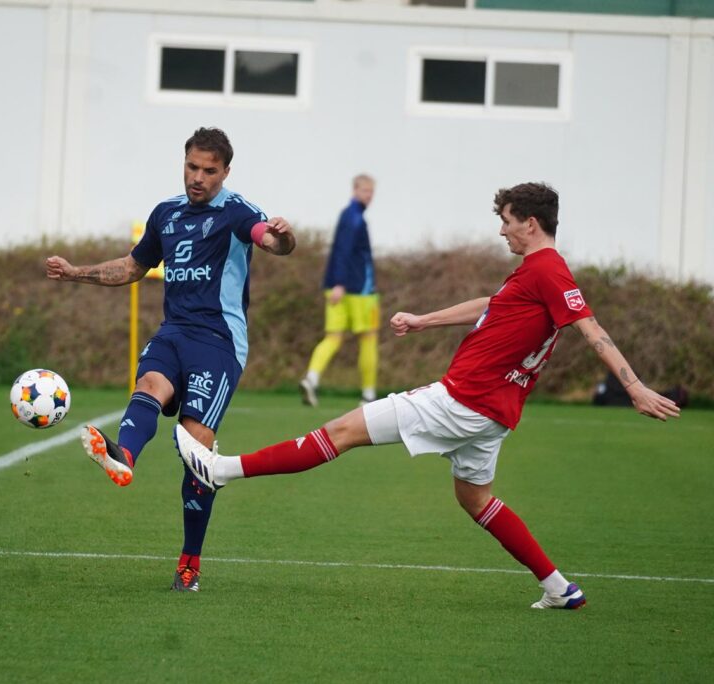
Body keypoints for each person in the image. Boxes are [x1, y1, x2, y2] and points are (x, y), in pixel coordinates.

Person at [175, 182, 680, 609]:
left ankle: (221, 471)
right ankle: (557, 587)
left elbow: (589, 327)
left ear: (530, 223)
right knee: (474, 497)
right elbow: (495, 304)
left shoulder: (548, 269)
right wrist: (424, 320)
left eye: (506, 221)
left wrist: (632, 386)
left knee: (342, 431)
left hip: (462, 401)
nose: (501, 229)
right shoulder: (534, 272)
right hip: (494, 413)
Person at [46, 127, 296, 592]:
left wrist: (281, 237)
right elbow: (133, 267)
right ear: (183, 162)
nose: (198, 178)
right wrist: (75, 273)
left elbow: (269, 240)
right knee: (148, 389)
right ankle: (124, 457)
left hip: (218, 342)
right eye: (192, 167)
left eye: (209, 171)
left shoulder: (237, 211)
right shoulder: (166, 214)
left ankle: (189, 562)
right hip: (174, 332)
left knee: (195, 452)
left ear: (225, 172)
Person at [299, 174, 379, 406]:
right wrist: (341, 283)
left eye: (371, 192)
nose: (369, 196)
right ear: (355, 190)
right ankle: (369, 394)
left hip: (336, 286)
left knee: (333, 337)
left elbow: (338, 251)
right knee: (368, 339)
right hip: (359, 290)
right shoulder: (355, 219)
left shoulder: (348, 215)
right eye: (365, 191)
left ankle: (312, 379)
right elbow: (344, 251)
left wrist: (335, 283)